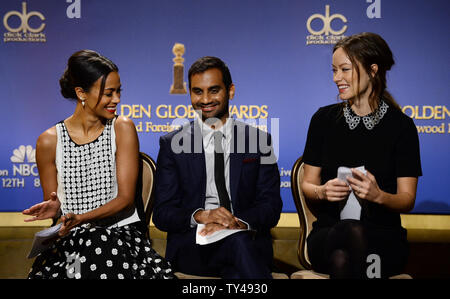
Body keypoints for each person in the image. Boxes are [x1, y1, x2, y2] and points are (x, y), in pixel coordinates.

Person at [22, 50, 174, 279]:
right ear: (81, 93)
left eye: (118, 91)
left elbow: (125, 200)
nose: (117, 100)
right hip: (71, 246)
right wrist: (55, 208)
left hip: (118, 240)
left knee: (97, 248)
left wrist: (82, 218)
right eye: (108, 93)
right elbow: (57, 206)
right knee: (73, 268)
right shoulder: (48, 141)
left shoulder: (121, 128)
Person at [301, 32, 422, 279]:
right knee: (344, 241)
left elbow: (407, 199)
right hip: (328, 233)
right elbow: (308, 184)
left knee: (342, 258)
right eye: (334, 70)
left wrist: (379, 196)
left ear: (373, 70)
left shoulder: (402, 127)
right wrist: (322, 191)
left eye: (345, 70)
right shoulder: (323, 120)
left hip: (382, 238)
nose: (337, 78)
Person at [152, 56, 282, 279]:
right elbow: (162, 213)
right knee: (241, 254)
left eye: (213, 90)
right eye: (197, 91)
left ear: (230, 91)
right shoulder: (172, 144)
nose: (205, 99)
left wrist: (236, 223)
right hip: (194, 247)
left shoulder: (259, 141)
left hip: (244, 239)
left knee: (238, 259)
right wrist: (201, 215)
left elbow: (271, 206)